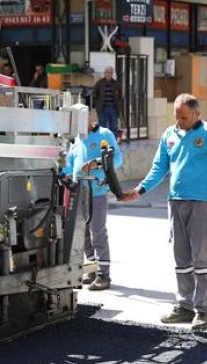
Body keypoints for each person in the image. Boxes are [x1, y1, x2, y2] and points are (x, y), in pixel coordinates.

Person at [119, 93, 207, 330]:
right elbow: (159, 167)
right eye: (176, 117)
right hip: (176, 201)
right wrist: (140, 189)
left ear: (197, 114)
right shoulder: (170, 134)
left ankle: (203, 310)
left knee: (202, 258)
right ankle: (184, 306)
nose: (179, 121)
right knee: (181, 258)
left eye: (183, 117)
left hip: (202, 202)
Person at [62, 121, 123, 291]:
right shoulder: (76, 139)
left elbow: (117, 159)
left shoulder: (105, 134)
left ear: (87, 117)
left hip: (97, 190)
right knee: (82, 232)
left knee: (97, 231)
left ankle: (104, 274)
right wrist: (62, 173)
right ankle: (91, 268)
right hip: (78, 190)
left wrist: (97, 162)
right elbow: (70, 165)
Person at [93, 66, 122, 135]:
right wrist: (98, 105)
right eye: (107, 73)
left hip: (113, 108)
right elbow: (95, 94)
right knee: (102, 127)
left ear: (112, 74)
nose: (108, 74)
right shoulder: (99, 83)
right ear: (104, 73)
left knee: (114, 127)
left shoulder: (116, 83)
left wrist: (118, 105)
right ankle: (103, 143)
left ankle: (113, 143)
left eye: (110, 73)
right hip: (102, 109)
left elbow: (120, 95)